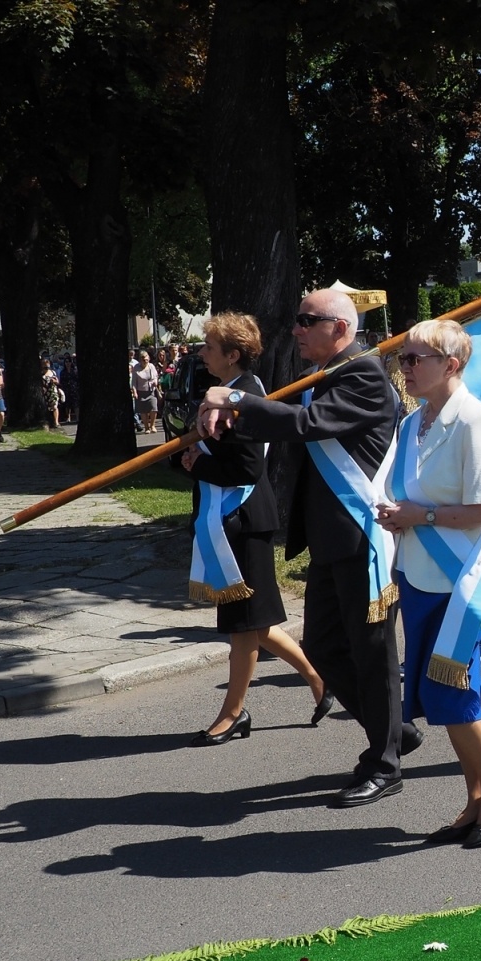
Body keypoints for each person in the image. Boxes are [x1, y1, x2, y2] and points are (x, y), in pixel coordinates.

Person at [200, 288, 421, 809]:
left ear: (339, 328)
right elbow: (281, 418)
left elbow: (305, 426)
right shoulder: (328, 375)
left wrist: (233, 399)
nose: (295, 329)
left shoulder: (362, 375)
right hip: (329, 540)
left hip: (361, 539)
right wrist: (224, 410)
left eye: (307, 320)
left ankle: (383, 763)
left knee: (373, 656)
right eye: (297, 320)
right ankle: (393, 730)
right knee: (322, 646)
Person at [374, 319, 481, 847]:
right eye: (403, 359)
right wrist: (399, 515)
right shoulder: (416, 421)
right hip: (419, 575)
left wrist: (421, 516)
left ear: (450, 365)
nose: (404, 369)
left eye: (414, 359)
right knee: (441, 695)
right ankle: (479, 792)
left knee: (452, 690)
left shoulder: (479, 422)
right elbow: (408, 492)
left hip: (462, 577)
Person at [178, 312, 331, 746]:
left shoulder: (243, 397)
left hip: (244, 519)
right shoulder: (229, 392)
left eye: (209, 347)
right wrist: (187, 459)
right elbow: (201, 448)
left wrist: (198, 464)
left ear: (233, 355)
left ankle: (232, 713)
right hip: (234, 519)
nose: (203, 353)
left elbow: (247, 467)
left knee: (242, 624)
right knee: (255, 622)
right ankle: (319, 679)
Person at [131, 349, 160, 434]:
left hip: (151, 391)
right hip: (141, 392)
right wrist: (135, 392)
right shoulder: (136, 368)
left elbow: (156, 377)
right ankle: (147, 427)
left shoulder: (151, 366)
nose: (145, 359)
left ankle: (152, 425)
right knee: (143, 411)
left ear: (149, 358)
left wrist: (155, 381)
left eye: (146, 357)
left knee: (154, 408)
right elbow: (134, 382)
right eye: (143, 358)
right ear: (140, 359)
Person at [40, 356, 62, 430]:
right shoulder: (41, 374)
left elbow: (58, 382)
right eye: (44, 366)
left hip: (53, 392)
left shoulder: (53, 372)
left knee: (55, 406)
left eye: (47, 366)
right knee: (47, 408)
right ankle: (48, 422)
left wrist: (55, 382)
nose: (46, 367)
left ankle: (56, 422)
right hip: (45, 393)